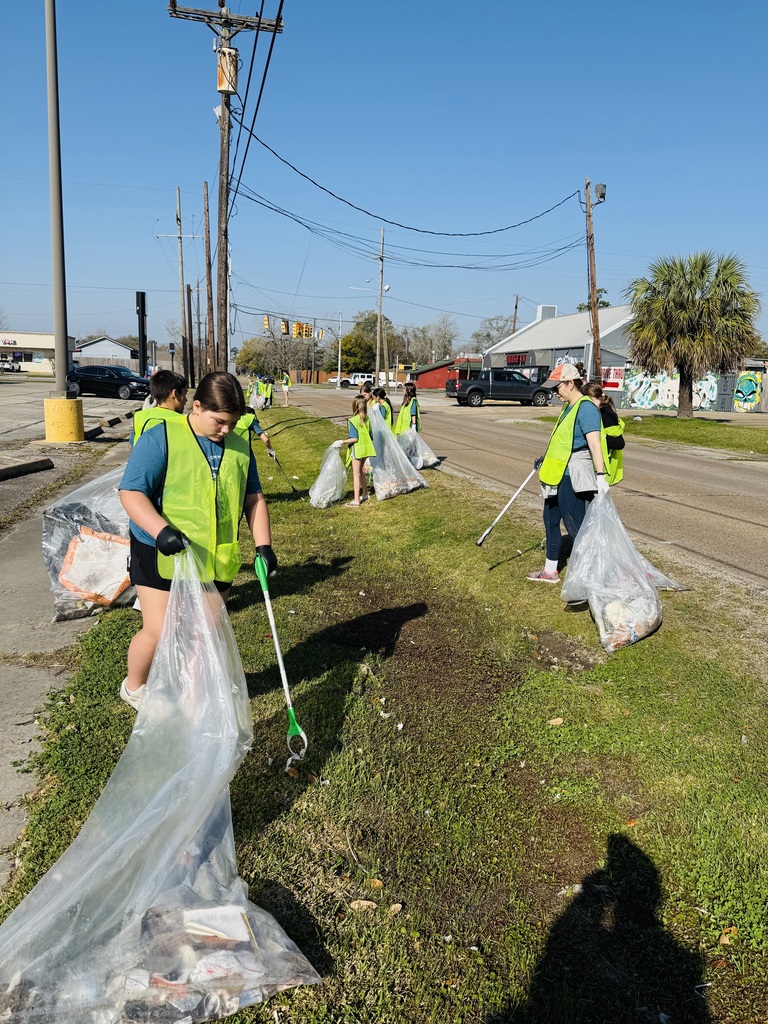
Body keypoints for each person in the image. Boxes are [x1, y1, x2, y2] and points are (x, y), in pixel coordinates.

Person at [118, 371, 276, 709]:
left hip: (214, 555)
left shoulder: (238, 445)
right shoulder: (162, 436)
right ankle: (135, 686)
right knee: (161, 631)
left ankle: (193, 699)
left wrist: (263, 545)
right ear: (197, 406)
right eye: (219, 422)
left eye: (233, 423)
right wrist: (160, 531)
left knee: (205, 634)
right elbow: (132, 492)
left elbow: (254, 499)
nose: (226, 430)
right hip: (158, 549)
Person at [527, 363, 608, 583]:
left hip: (572, 475)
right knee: (551, 520)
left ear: (571, 383)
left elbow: (594, 443)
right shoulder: (568, 407)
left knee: (576, 527)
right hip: (556, 473)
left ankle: (596, 576)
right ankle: (550, 571)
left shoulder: (586, 407)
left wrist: (600, 475)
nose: (554, 391)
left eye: (557, 386)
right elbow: (562, 440)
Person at [581, 381, 625, 485]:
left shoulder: (606, 414)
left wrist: (597, 437)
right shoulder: (594, 411)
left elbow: (620, 443)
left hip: (604, 468)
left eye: (588, 400)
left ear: (596, 398)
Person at [132, 370, 187, 444]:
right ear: (175, 394)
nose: (186, 400)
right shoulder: (183, 422)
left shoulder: (139, 416)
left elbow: (131, 446)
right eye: (184, 394)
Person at [341, 394, 376, 507]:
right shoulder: (368, 419)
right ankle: (365, 493)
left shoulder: (352, 420)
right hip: (366, 449)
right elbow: (371, 436)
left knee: (356, 475)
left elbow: (354, 438)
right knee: (361, 472)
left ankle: (356, 500)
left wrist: (342, 441)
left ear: (354, 407)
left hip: (357, 450)